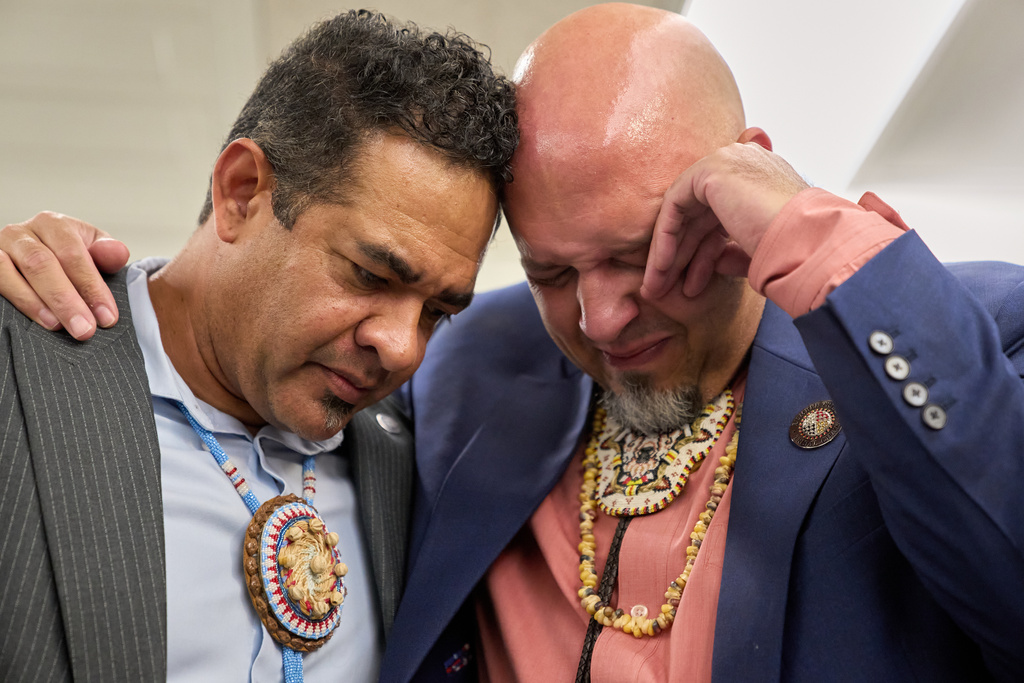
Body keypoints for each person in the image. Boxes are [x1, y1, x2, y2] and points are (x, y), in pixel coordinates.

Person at [4, 4, 1024, 683]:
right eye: (550, 271)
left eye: (644, 250)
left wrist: (812, 230)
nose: (604, 317)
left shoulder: (966, 333)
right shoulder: (475, 367)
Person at [0, 9, 517, 683]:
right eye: (370, 274)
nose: (401, 348)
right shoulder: (20, 383)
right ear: (241, 192)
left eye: (437, 313)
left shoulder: (408, 461)